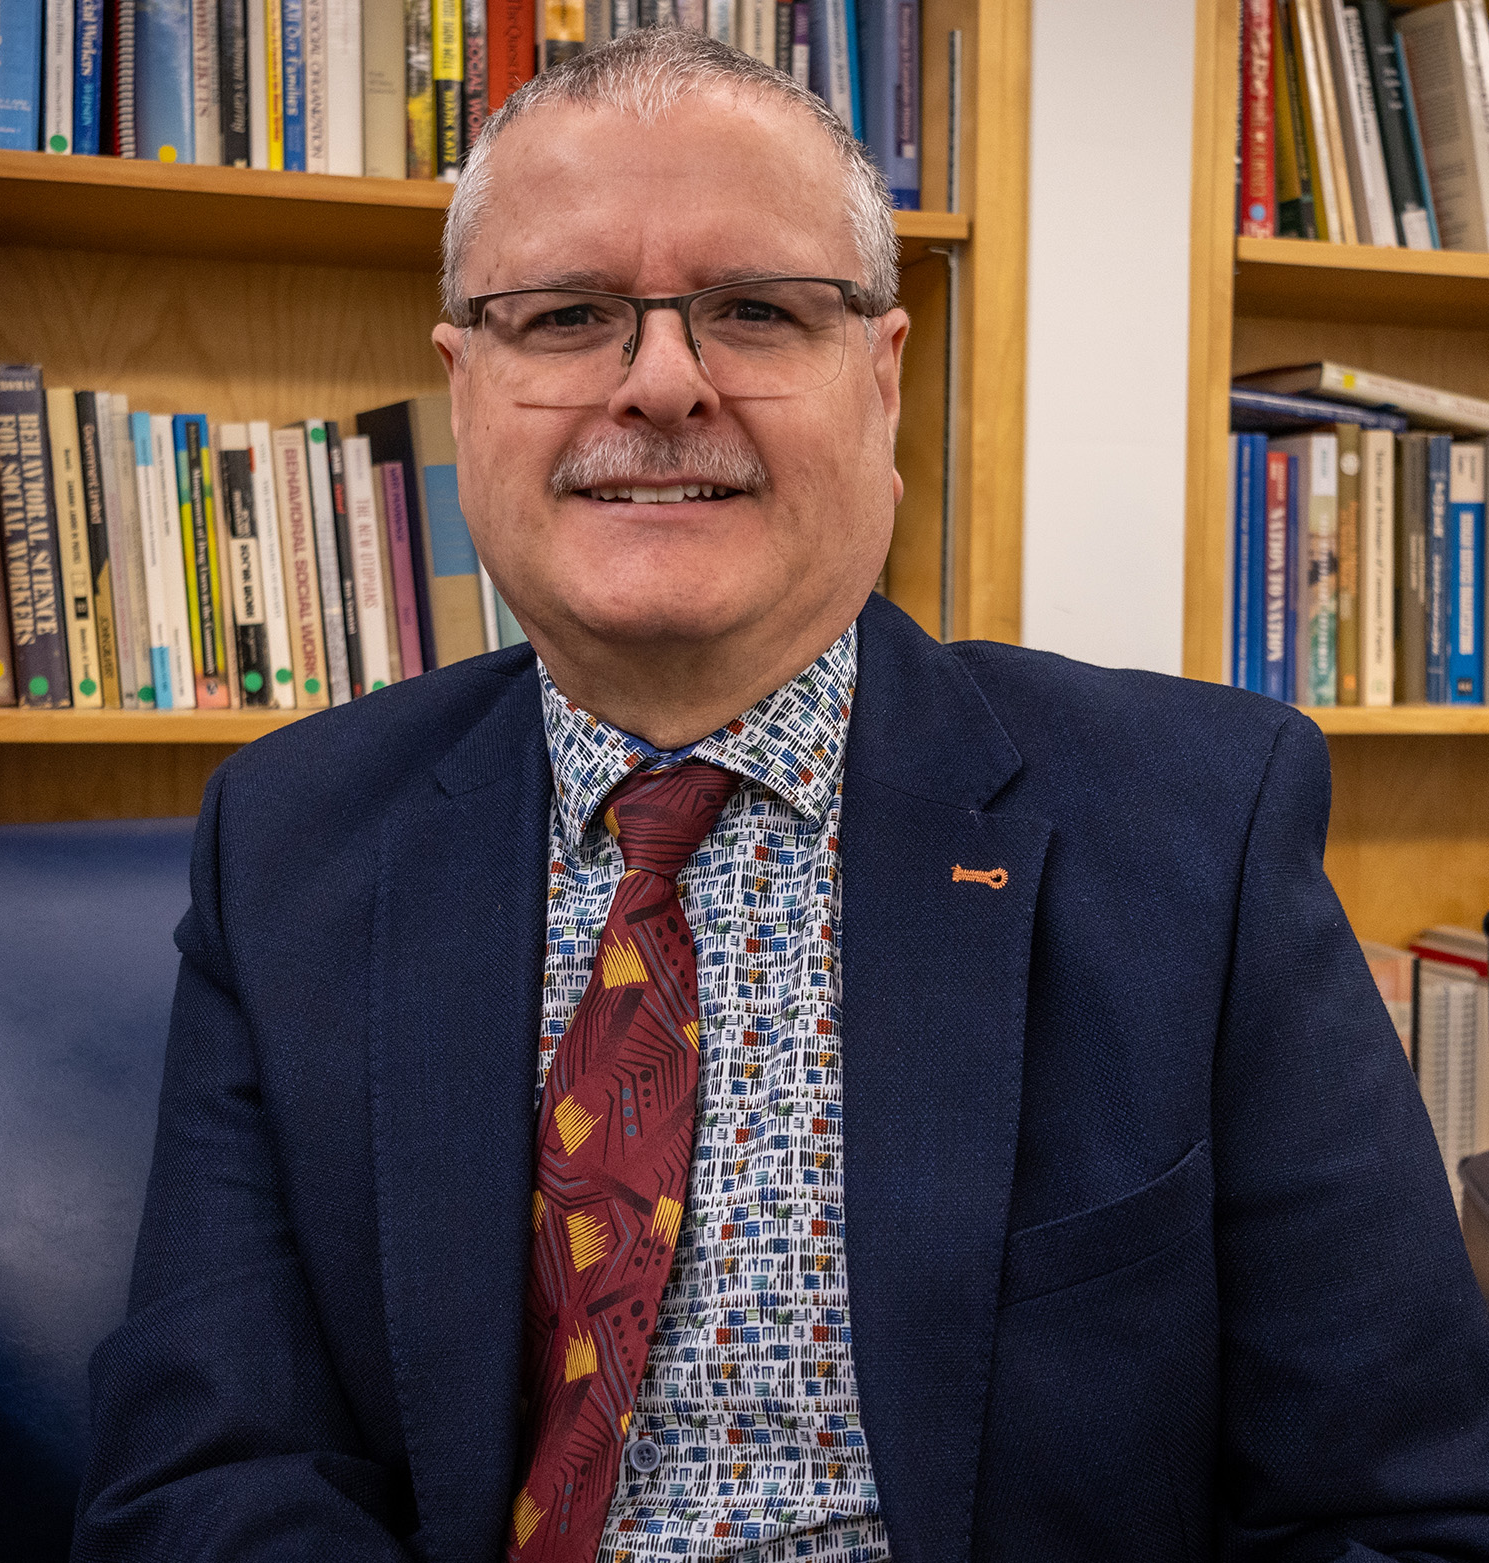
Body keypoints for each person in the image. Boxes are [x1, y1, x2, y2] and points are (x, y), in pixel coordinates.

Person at [73, 28, 1489, 1563]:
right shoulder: (290, 840)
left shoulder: (1197, 830)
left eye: (755, 309)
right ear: (465, 385)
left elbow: (1398, 1510)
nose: (665, 382)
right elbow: (210, 1478)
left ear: (880, 380)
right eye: (565, 316)